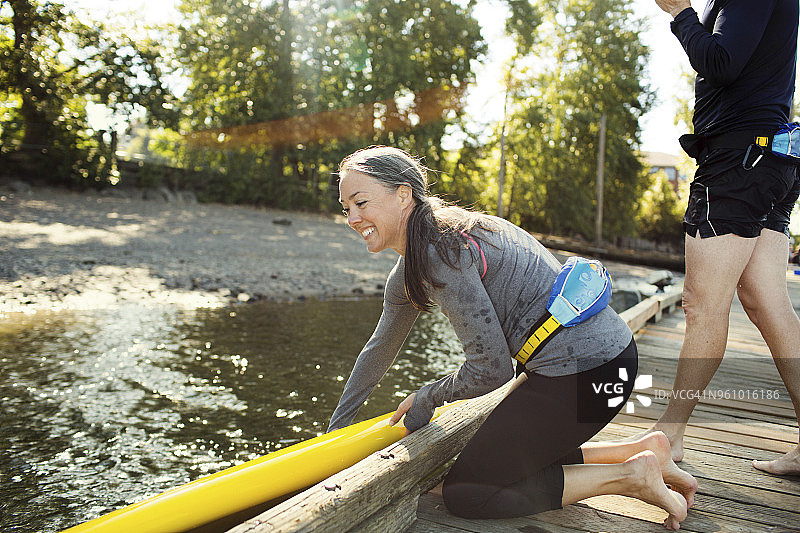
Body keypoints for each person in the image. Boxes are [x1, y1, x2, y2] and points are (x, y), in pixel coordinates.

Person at [327, 145, 697, 529]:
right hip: (609, 363)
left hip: (588, 374)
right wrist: (335, 433)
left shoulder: (443, 251)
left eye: (361, 202)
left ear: (403, 194)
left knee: (466, 492)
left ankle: (632, 477)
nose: (352, 217)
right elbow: (379, 349)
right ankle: (641, 449)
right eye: (345, 207)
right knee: (500, 460)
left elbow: (491, 370)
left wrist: (428, 397)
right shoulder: (428, 249)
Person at [649, 0, 800, 475]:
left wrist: (680, 15)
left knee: (701, 305)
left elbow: (721, 63)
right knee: (767, 302)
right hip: (769, 158)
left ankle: (667, 439)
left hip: (740, 162)